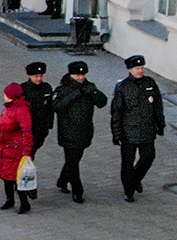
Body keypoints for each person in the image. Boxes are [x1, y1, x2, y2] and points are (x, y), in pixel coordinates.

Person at [111, 54, 165, 202]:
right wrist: (116, 133)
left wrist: (160, 124)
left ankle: (135, 179)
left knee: (148, 157)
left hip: (147, 128)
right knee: (127, 164)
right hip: (129, 131)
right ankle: (129, 191)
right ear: (130, 70)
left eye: (142, 68)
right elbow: (116, 112)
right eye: (137, 68)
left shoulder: (150, 83)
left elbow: (157, 106)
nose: (140, 71)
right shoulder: (123, 87)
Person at [51, 60, 106, 203]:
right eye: (77, 75)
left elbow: (102, 102)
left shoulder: (89, 87)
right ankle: (77, 191)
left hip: (85, 131)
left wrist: (93, 92)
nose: (81, 77)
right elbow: (57, 106)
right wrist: (76, 94)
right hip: (68, 133)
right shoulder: (62, 89)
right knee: (73, 163)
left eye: (83, 74)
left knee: (73, 160)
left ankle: (62, 180)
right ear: (71, 74)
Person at [0, 83, 35, 214]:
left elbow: (27, 132)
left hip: (16, 150)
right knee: (6, 176)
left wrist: (26, 152)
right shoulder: (10, 108)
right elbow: (3, 127)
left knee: (17, 178)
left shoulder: (21, 110)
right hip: (6, 147)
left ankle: (24, 203)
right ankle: (10, 200)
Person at [21, 61, 55, 158]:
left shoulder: (47, 88)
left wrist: (48, 125)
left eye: (41, 76)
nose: (39, 79)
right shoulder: (23, 89)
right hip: (27, 129)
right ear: (30, 76)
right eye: (36, 76)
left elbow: (50, 107)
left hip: (41, 129)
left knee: (33, 152)